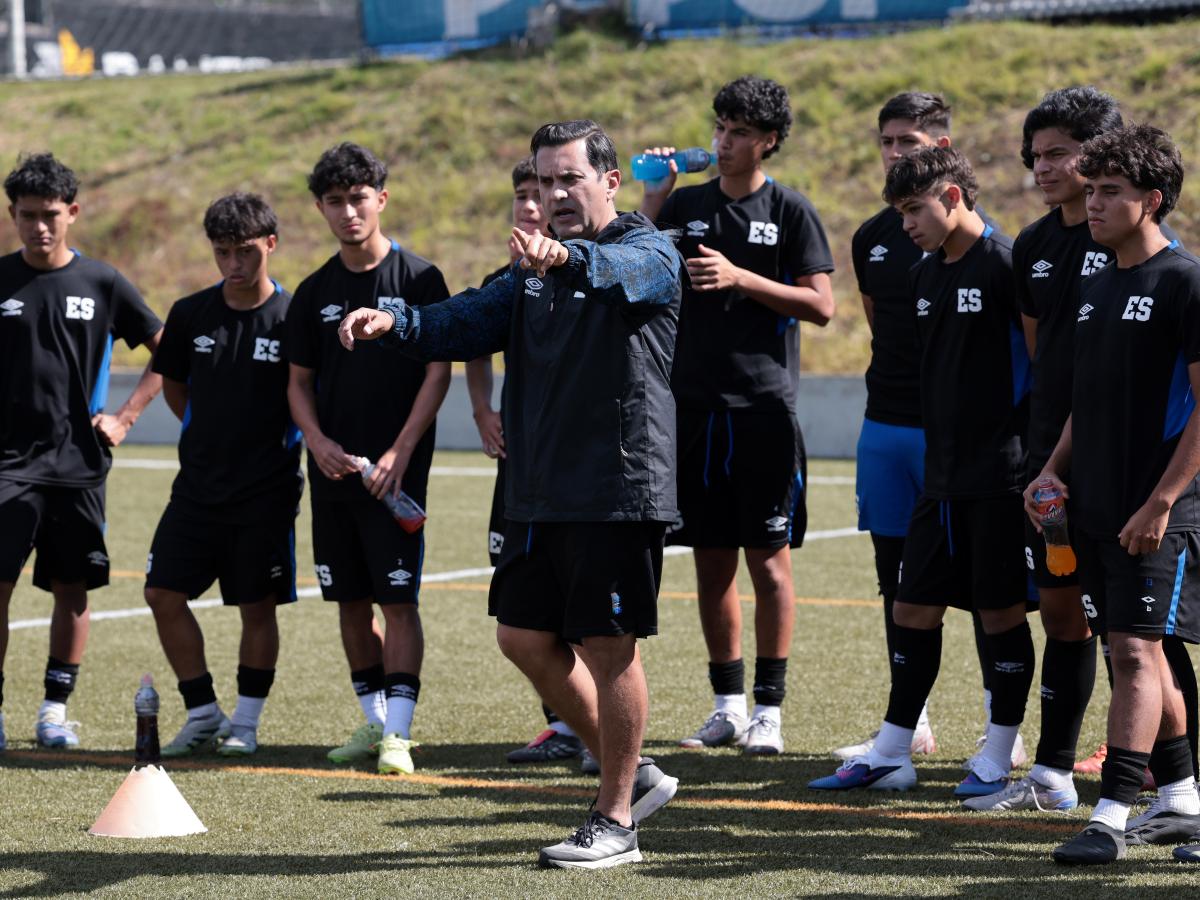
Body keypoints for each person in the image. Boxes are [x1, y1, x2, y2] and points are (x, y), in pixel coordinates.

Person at [339, 119, 682, 870]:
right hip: (538, 489)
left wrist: (567, 258)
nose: (555, 194)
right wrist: (394, 319)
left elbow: (624, 273)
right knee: (523, 637)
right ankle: (637, 775)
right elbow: (464, 318)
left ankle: (617, 820)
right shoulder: (528, 271)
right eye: (544, 181)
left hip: (615, 487)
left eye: (570, 179)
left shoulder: (649, 249)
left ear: (610, 182)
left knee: (609, 648)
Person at [809, 146, 1035, 797]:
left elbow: (1045, 368)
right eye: (900, 212)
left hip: (1001, 477)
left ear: (954, 197)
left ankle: (997, 756)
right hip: (941, 476)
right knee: (911, 608)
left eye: (914, 210)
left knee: (999, 615)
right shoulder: (925, 274)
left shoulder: (1007, 264)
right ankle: (892, 752)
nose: (906, 224)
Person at [639, 75, 835, 756]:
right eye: (720, 128)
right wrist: (654, 198)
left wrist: (742, 278)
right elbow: (633, 266)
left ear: (769, 140)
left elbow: (822, 305)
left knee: (770, 566)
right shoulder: (685, 204)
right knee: (711, 564)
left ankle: (769, 711)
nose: (724, 142)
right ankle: (726, 706)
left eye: (741, 132)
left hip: (762, 412)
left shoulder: (790, 210)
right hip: (692, 410)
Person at [1040, 125, 1200, 865]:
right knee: (1138, 651)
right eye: (1093, 189)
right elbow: (1088, 397)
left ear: (1153, 200)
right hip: (1096, 504)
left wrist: (1162, 502)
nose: (1094, 204)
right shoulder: (1097, 283)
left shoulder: (1185, 282)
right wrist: (1053, 469)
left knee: (1134, 651)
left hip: (1156, 509)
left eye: (1111, 192)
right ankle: (1183, 801)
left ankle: (1109, 816)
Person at [286, 143, 451, 775]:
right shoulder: (313, 292)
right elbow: (298, 383)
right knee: (349, 602)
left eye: (359, 198)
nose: (348, 211)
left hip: (395, 478)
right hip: (333, 475)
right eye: (335, 201)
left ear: (381, 199)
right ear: (321, 208)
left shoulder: (420, 280)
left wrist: (400, 451)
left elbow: (438, 371)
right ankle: (375, 722)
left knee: (398, 601)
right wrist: (316, 440)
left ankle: (398, 736)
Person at [0, 153, 162, 751]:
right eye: (27, 216)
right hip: (7, 465)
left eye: (50, 215)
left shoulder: (103, 282)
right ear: (13, 216)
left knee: (72, 589)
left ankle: (53, 711)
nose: (39, 227)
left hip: (78, 466)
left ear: (72, 212)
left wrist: (126, 415)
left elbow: (167, 349)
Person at [144, 193, 301, 758]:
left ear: (270, 245)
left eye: (246, 251)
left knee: (256, 606)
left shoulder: (294, 317)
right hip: (197, 489)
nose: (234, 263)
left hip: (266, 491)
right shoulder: (190, 313)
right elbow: (174, 385)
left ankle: (246, 724)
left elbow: (307, 394)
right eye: (223, 252)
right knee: (162, 593)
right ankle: (203, 712)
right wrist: (207, 431)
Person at [466, 156, 587, 769]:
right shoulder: (504, 280)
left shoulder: (588, 268)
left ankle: (597, 728)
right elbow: (471, 339)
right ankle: (563, 724)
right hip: (521, 465)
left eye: (542, 192)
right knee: (524, 602)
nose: (532, 205)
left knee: (581, 601)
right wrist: (483, 410)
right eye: (523, 194)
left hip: (578, 471)